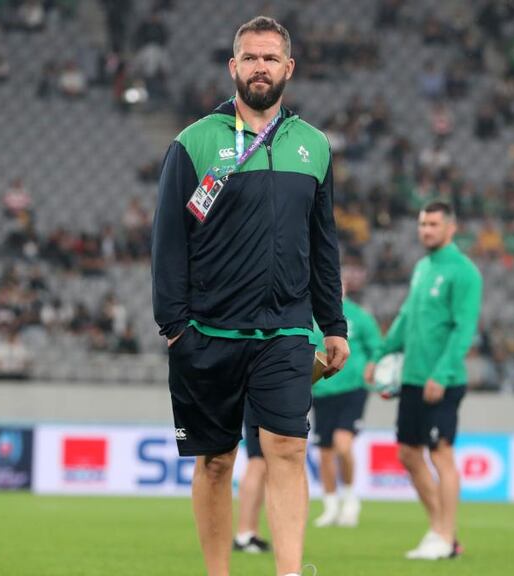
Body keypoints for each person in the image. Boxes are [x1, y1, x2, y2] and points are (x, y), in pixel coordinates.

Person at [151, 16, 349, 576]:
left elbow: (323, 242)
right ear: (232, 67)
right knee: (216, 462)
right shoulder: (194, 143)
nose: (260, 67)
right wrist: (175, 327)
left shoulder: (313, 146)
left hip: (286, 330)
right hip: (207, 332)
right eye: (250, 57)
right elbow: (167, 241)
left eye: (270, 58)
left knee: (286, 447)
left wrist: (333, 324)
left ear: (289, 68)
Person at [369, 201, 482, 560]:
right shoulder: (422, 267)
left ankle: (445, 537)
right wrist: (382, 354)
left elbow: (464, 329)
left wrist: (442, 373)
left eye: (432, 224)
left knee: (441, 453)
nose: (425, 231)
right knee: (407, 453)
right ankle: (440, 530)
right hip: (414, 378)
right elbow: (406, 316)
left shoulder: (464, 272)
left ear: (450, 227)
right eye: (421, 224)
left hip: (442, 379)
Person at [313, 289, 381, 528]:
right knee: (324, 452)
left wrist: (372, 366)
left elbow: (376, 347)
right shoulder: (310, 315)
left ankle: (351, 499)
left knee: (342, 443)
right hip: (322, 389)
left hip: (352, 387)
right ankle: (331, 505)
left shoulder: (359, 316)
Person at [232, 408, 271, 554]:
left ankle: (251, 532)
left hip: (260, 397)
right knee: (258, 461)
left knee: (261, 463)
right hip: (261, 398)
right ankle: (244, 533)